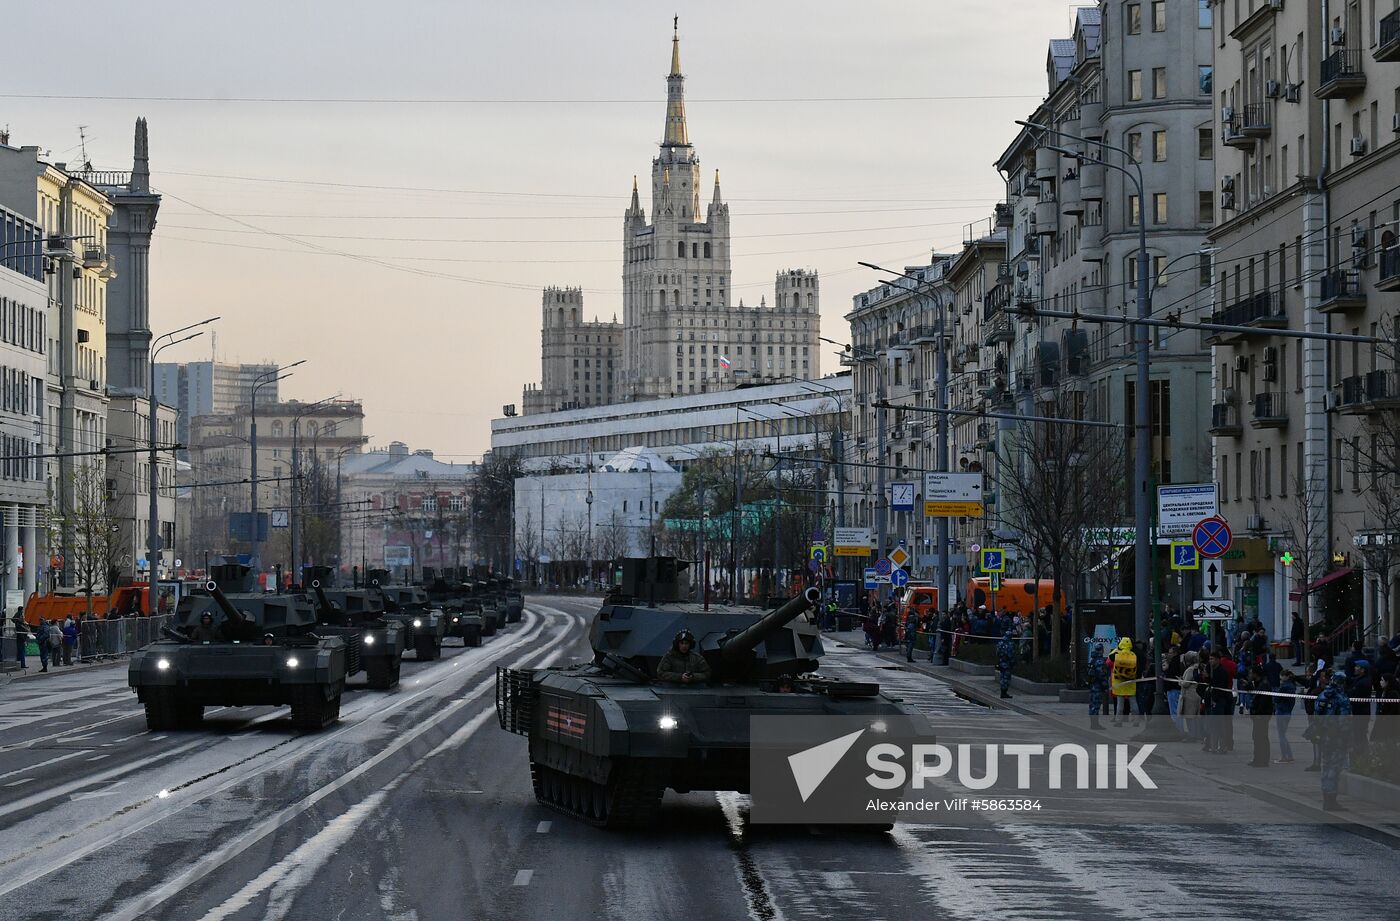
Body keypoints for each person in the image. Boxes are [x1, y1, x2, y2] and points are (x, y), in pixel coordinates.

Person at [1314, 669, 1353, 811]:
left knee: (1326, 766)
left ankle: (1326, 798)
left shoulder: (1323, 695)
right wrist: (1347, 738)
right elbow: (1344, 721)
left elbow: (1317, 714)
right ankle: (1331, 800)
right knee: (1335, 768)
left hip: (1324, 736)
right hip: (1337, 737)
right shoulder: (1341, 698)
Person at [1246, 665, 1274, 767]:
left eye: (1251, 673)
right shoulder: (1259, 683)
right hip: (1259, 715)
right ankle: (1257, 758)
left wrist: (1258, 713)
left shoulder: (1264, 684)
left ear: (1255, 674)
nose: (1249, 675)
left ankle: (1262, 760)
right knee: (1257, 737)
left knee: (1261, 737)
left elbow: (1263, 701)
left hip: (1262, 716)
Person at [1110, 637, 1138, 726]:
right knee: (1133, 703)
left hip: (1119, 682)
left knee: (1120, 704)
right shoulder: (1133, 655)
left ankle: (1119, 722)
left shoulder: (1116, 654)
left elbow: (1110, 657)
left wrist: (1118, 648)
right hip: (1130, 682)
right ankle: (1136, 721)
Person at [1275, 669, 1297, 764]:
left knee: (1281, 735)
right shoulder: (1292, 686)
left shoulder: (1284, 687)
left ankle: (1284, 756)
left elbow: (1277, 699)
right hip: (1288, 711)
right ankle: (1290, 755)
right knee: (1283, 734)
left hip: (1281, 711)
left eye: (1282, 675)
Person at [1087, 643, 1109, 730]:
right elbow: (1102, 675)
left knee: (1092, 704)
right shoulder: (1099, 661)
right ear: (1102, 650)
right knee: (1096, 705)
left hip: (1092, 685)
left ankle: (1093, 723)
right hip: (1097, 686)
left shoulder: (1092, 660)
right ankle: (1095, 724)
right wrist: (1105, 686)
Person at [996, 629, 1016, 699]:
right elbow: (1011, 654)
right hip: (1007, 663)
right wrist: (1013, 662)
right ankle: (1004, 692)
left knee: (1002, 677)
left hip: (1001, 662)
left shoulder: (1000, 643)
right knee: (1006, 678)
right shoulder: (1010, 643)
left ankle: (1002, 692)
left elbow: (997, 652)